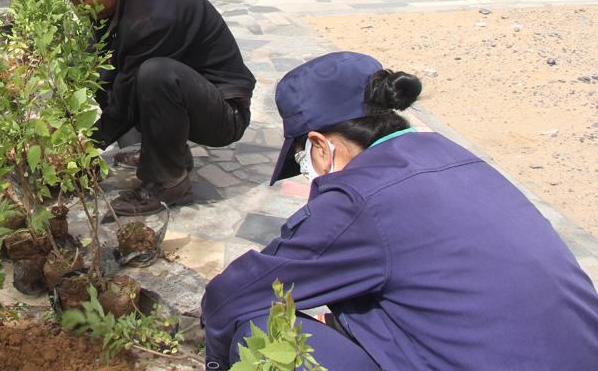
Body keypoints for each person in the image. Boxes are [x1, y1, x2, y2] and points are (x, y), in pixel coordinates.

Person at [201, 51, 598, 371]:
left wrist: (219, 360)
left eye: (303, 156)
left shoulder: (359, 199)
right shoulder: (456, 156)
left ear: (321, 146)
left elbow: (233, 295)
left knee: (261, 326)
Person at [46, 0, 255, 216]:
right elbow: (104, 67)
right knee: (94, 65)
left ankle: (169, 181)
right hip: (188, 95)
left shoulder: (153, 14)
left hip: (223, 110)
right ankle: (167, 152)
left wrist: (90, 143)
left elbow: (130, 90)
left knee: (154, 74)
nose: (75, 8)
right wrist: (65, 126)